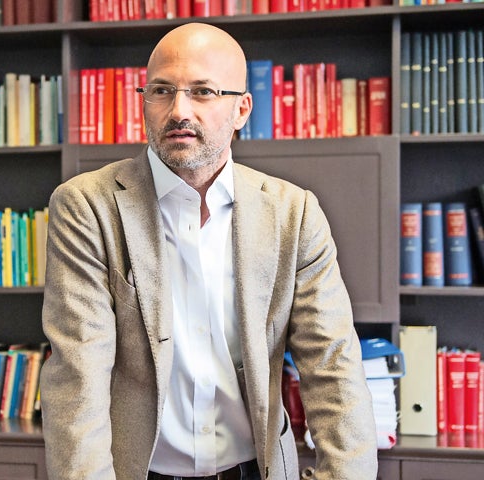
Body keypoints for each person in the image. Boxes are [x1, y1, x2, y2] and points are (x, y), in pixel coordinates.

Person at [39, 22, 377, 480]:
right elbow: (78, 382)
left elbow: (333, 368)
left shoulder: (293, 214)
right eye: (161, 91)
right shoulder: (87, 207)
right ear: (144, 101)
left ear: (242, 109)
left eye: (203, 92)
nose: (178, 110)